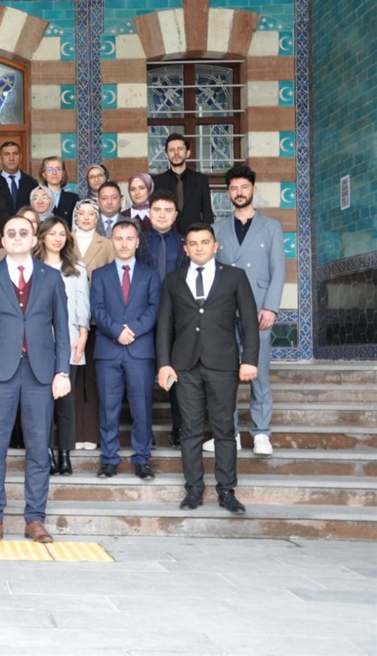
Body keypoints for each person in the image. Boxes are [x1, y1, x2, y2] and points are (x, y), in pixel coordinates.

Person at [0, 216, 71, 543]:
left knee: (39, 448)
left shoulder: (51, 277)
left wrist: (62, 371)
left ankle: (35, 519)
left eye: (23, 233)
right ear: (2, 239)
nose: (16, 237)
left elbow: (62, 328)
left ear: (34, 239)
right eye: (11, 233)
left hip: (40, 372)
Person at [157, 223, 259, 515]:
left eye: (204, 242)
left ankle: (226, 490)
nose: (199, 247)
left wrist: (249, 359)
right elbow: (164, 325)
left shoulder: (235, 277)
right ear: (186, 249)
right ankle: (194, 489)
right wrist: (164, 363)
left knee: (224, 429)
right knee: (190, 430)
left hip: (223, 365)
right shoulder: (173, 280)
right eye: (193, 243)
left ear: (215, 246)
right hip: (185, 366)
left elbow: (248, 320)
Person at [212, 165, 286, 457]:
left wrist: (271, 307)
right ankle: (229, 432)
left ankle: (261, 432)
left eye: (244, 187)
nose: (239, 192)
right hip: (224, 312)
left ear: (254, 189)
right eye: (233, 188)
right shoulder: (217, 229)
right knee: (226, 374)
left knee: (259, 373)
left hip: (258, 310)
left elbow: (278, 270)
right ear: (228, 193)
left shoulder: (271, 226)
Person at [91, 220, 160, 480]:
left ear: (137, 242)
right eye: (119, 238)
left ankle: (142, 458)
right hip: (108, 350)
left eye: (129, 238)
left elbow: (154, 308)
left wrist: (133, 330)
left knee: (141, 407)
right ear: (112, 241)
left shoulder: (150, 274)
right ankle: (109, 459)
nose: (124, 243)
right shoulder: (100, 274)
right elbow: (97, 308)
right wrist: (116, 331)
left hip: (140, 350)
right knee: (108, 407)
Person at [33, 218, 88, 476]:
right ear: (42, 236)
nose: (57, 238)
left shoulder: (76, 267)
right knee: (41, 402)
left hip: (70, 339)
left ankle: (65, 454)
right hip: (38, 342)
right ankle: (45, 452)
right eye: (52, 233)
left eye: (61, 234)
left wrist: (83, 334)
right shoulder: (32, 266)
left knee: (65, 402)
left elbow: (82, 304)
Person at [137, 190, 185, 447]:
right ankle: (144, 433)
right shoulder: (138, 241)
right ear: (149, 213)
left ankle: (179, 427)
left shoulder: (186, 242)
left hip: (178, 319)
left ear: (175, 215)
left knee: (177, 374)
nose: (162, 215)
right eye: (157, 210)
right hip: (144, 316)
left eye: (168, 210)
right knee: (143, 377)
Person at [69, 199, 113, 451]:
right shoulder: (65, 240)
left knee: (93, 379)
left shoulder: (107, 244)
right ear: (75, 216)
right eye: (81, 213)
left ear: (97, 218)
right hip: (70, 318)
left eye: (91, 214)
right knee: (73, 378)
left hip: (96, 319)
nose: (86, 217)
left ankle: (91, 434)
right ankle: (75, 433)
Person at [152, 133, 214, 234]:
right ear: (166, 154)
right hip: (167, 236)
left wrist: (208, 236)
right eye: (171, 150)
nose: (176, 153)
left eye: (180, 149)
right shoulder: (157, 182)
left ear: (188, 153)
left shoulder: (200, 180)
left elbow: (207, 213)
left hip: (195, 236)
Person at [0, 140, 36, 221]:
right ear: (0, 159)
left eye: (15, 154)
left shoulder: (32, 183)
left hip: (26, 226)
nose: (11, 158)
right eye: (7, 154)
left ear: (20, 157)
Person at [38, 156, 79, 226]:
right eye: (50, 169)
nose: (54, 172)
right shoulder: (37, 198)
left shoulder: (73, 199)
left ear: (63, 173)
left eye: (58, 169)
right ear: (44, 174)